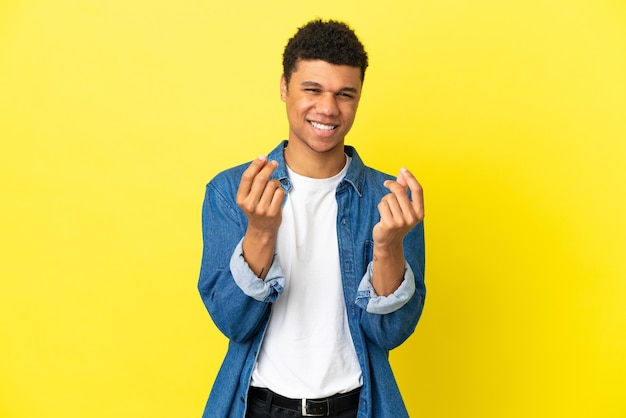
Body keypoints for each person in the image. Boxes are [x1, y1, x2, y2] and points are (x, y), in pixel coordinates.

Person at [198, 19, 426, 418]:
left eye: (344, 94)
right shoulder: (232, 192)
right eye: (312, 89)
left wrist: (389, 246)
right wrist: (260, 233)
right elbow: (234, 323)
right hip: (260, 407)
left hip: (357, 406)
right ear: (284, 87)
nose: (327, 108)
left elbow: (389, 334)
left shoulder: (389, 202)